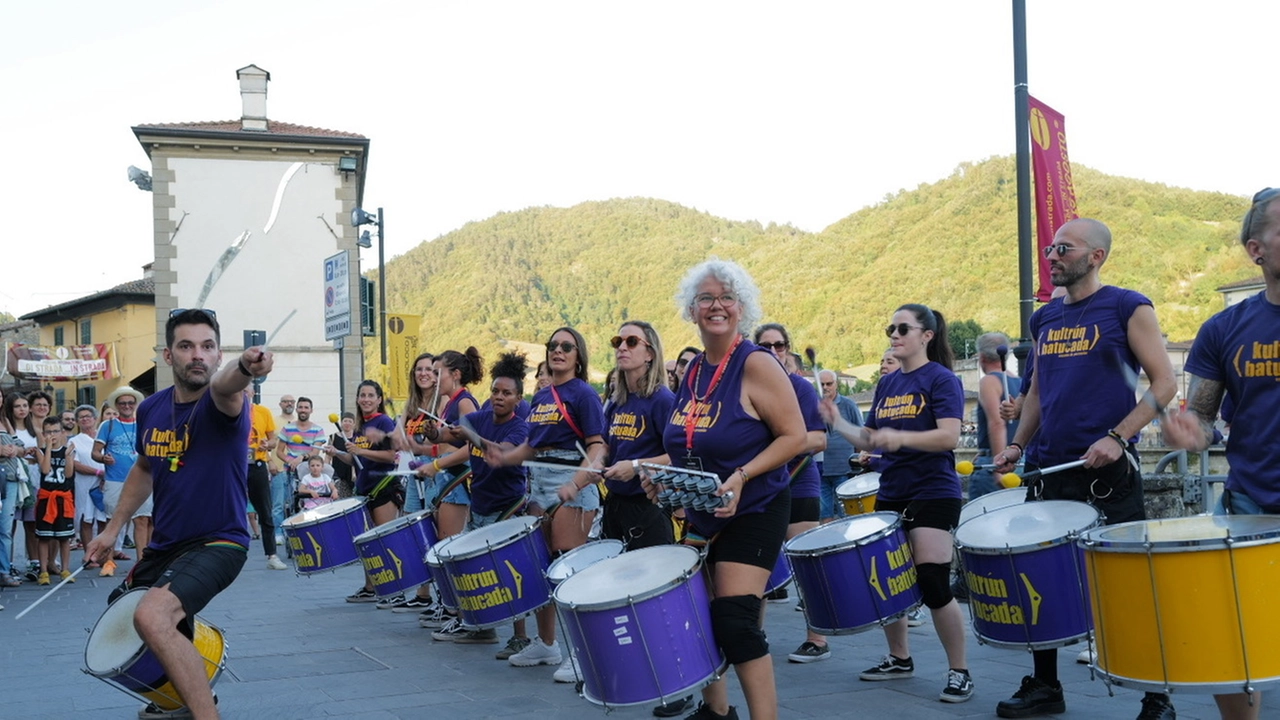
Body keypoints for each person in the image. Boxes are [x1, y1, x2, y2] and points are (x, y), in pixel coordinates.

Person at [992, 218, 1177, 720]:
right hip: (1050, 468)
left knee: (1127, 585)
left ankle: (1156, 697)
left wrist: (1118, 437)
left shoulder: (1127, 305)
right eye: (1050, 248)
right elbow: (1036, 391)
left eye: (1063, 249)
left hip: (1108, 473)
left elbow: (1164, 383)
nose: (1051, 256)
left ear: (1095, 257)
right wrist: (1017, 445)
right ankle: (1046, 686)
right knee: (1045, 581)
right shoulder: (1044, 319)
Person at [85, 307, 272, 720]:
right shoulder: (151, 409)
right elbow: (145, 467)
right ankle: (177, 695)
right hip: (166, 546)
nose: (197, 356)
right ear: (168, 356)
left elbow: (228, 383)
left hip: (219, 542)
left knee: (151, 615)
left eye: (207, 347)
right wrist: (112, 529)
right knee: (124, 608)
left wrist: (244, 366)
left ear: (218, 353)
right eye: (185, 346)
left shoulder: (225, 402)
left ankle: (204, 713)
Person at [648, 259, 805, 720]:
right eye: (705, 299)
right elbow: (684, 443)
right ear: (691, 310)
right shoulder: (694, 369)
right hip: (702, 510)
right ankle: (715, 712)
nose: (716, 306)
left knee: (736, 621)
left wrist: (743, 475)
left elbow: (794, 437)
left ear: (741, 307)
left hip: (755, 506)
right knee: (698, 615)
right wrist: (664, 481)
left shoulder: (756, 363)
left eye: (725, 298)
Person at [1162, 187, 1280, 720]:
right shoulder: (1223, 329)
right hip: (1250, 502)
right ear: (1257, 250)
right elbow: (1206, 417)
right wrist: (1192, 432)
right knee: (1232, 642)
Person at [822, 303, 973, 704]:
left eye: (903, 328)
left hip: (934, 490)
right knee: (891, 582)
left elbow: (948, 437)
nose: (894, 334)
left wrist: (902, 439)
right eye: (891, 328)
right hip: (893, 489)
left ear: (926, 335)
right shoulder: (889, 385)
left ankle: (960, 671)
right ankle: (899, 657)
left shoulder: (940, 379)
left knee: (933, 581)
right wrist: (837, 422)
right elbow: (871, 439)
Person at [484, 326, 605, 680]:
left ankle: (583, 654)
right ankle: (548, 644)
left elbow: (598, 446)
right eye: (553, 346)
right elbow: (532, 448)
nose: (558, 351)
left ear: (578, 355)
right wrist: (503, 457)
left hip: (571, 481)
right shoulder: (542, 397)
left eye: (567, 346)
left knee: (569, 569)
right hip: (539, 483)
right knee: (543, 566)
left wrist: (575, 482)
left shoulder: (584, 395)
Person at [437, 351, 533, 652]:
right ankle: (481, 627)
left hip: (508, 506)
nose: (498, 397)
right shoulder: (480, 418)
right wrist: (432, 432)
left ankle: (520, 636)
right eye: (494, 391)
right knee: (474, 569)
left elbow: (502, 453)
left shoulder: (520, 427)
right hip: (480, 504)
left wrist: (472, 437)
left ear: (518, 399)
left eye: (506, 393)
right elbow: (450, 434)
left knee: (509, 570)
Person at [752, 323, 830, 663]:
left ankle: (817, 638)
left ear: (787, 349)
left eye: (779, 345)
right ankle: (752, 636)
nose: (772, 352)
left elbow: (818, 439)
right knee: (757, 562)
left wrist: (783, 446)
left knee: (806, 562)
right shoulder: (745, 387)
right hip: (760, 486)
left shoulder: (799, 387)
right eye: (765, 345)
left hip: (798, 481)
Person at [329, 380, 398, 603]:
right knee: (367, 541)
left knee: (383, 539)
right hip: (365, 488)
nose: (366, 399)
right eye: (362, 395)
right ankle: (370, 587)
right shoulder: (359, 425)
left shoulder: (385, 422)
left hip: (384, 487)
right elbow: (354, 459)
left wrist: (361, 451)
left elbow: (392, 456)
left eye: (370, 395)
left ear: (379, 399)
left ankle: (391, 589)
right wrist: (338, 452)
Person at [92, 386, 147, 576]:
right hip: (115, 479)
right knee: (112, 520)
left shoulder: (143, 423)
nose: (127, 406)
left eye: (130, 403)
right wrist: (102, 458)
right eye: (123, 403)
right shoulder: (108, 425)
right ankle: (109, 562)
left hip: (141, 479)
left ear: (135, 404)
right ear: (117, 405)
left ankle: (141, 564)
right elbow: (95, 452)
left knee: (141, 520)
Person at [968, 332, 1021, 500]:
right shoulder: (1019, 381)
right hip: (1018, 461)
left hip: (997, 462)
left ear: (982, 357)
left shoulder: (989, 381)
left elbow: (997, 424)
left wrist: (998, 467)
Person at [817, 370, 863, 522]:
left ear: (836, 384)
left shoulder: (848, 405)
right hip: (821, 471)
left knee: (847, 515)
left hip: (844, 469)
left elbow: (860, 434)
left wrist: (857, 463)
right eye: (822, 384)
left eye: (829, 383)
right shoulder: (813, 406)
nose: (825, 387)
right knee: (824, 515)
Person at [34, 416, 75, 585]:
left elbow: (68, 474)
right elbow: (45, 469)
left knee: (64, 537)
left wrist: (68, 457)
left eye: (55, 431)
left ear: (62, 432)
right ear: (43, 434)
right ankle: (43, 571)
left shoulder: (69, 450)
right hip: (46, 498)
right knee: (44, 537)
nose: (52, 435)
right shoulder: (40, 451)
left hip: (63, 499)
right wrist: (48, 447)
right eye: (49, 432)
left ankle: (65, 569)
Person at [247, 399, 284, 569]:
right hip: (233, 465)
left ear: (252, 393)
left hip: (257, 464)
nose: (243, 395)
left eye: (246, 392)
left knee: (265, 510)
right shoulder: (226, 408)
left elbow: (273, 440)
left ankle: (272, 555)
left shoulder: (262, 412)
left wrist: (267, 444)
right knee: (228, 509)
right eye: (240, 391)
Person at [67, 404, 106, 565]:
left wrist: (106, 475)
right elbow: (74, 464)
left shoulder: (103, 439)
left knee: (104, 519)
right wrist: (97, 472)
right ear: (77, 422)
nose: (85, 419)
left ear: (95, 419)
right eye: (81, 417)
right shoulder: (74, 441)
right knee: (86, 519)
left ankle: (103, 555)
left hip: (105, 484)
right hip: (85, 484)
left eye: (88, 416)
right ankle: (89, 556)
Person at [269, 394, 296, 538]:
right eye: (285, 401)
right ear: (280, 404)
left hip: (296, 470)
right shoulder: (273, 421)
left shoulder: (299, 423)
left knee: (294, 504)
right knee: (278, 505)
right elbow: (265, 444)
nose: (289, 404)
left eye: (291, 402)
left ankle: (294, 533)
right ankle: (278, 533)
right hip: (279, 469)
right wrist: (270, 462)